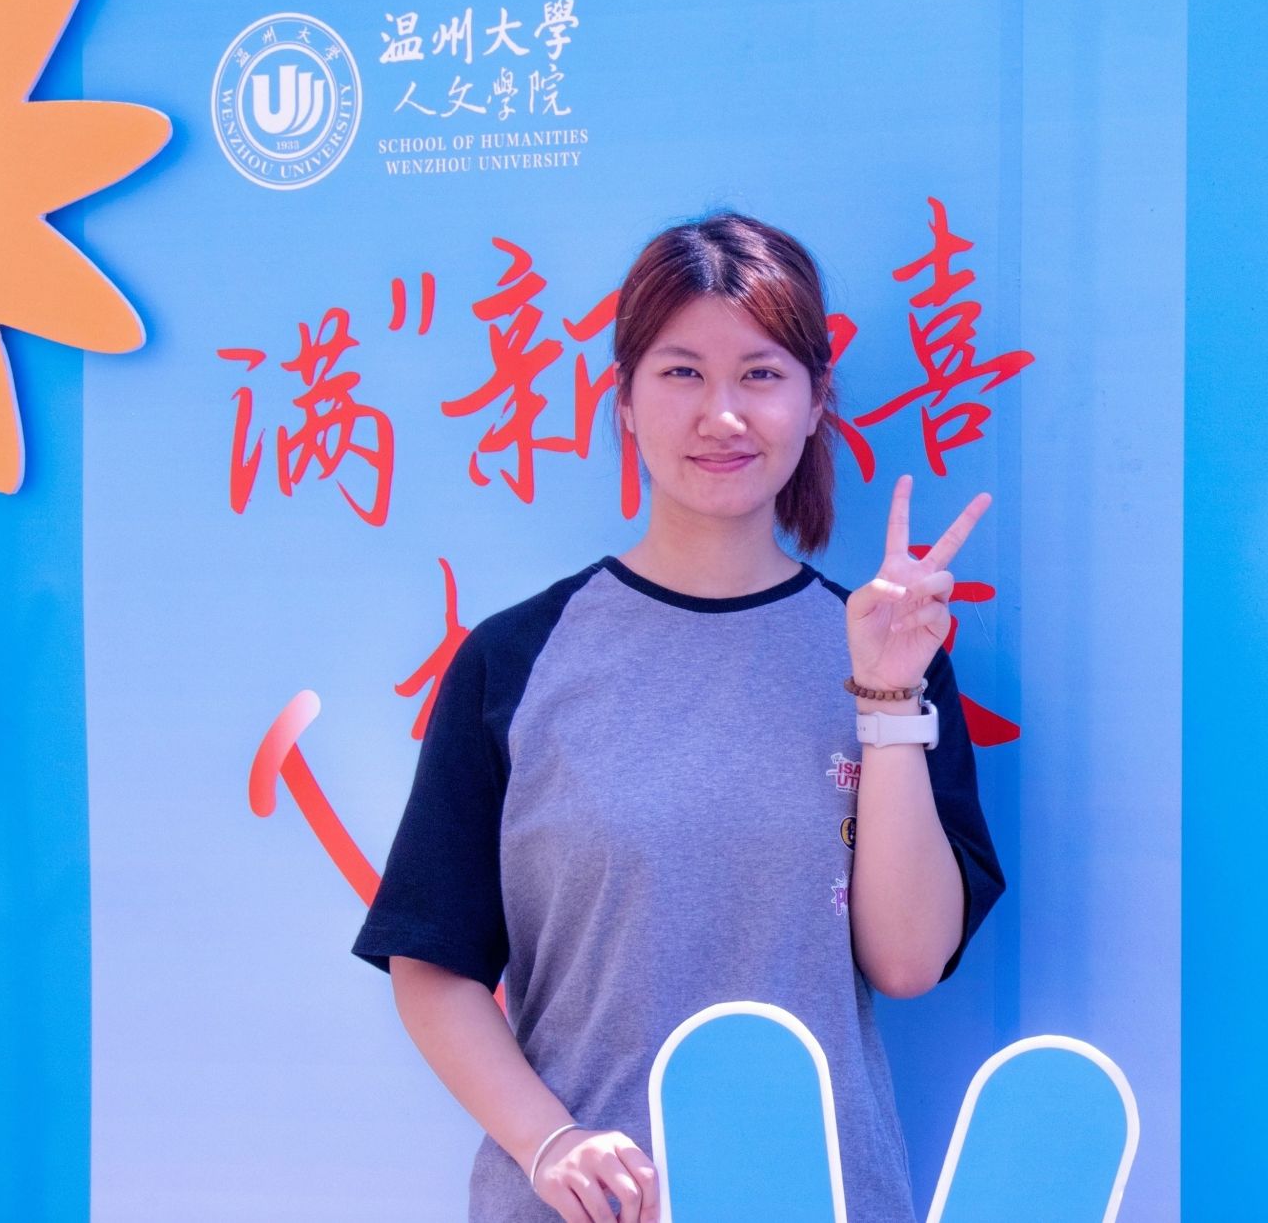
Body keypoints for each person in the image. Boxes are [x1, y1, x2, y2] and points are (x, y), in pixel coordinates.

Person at [352, 212, 1005, 1222]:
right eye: (682, 372)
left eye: (760, 373)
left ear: (815, 401)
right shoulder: (514, 659)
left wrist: (884, 697)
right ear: (623, 397)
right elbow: (431, 961)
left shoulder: (889, 652)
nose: (722, 413)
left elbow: (908, 959)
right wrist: (550, 1141)